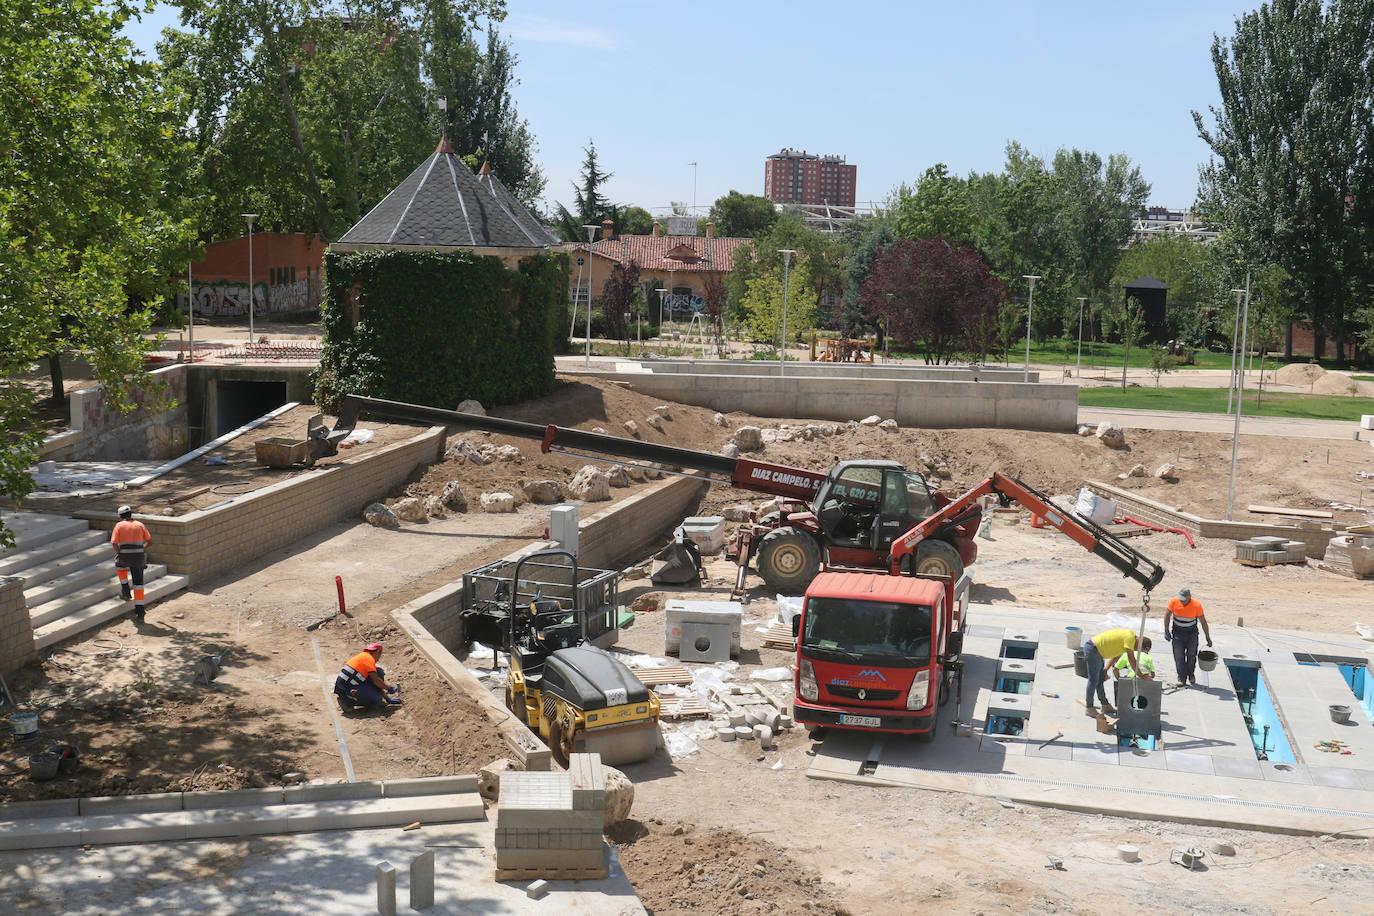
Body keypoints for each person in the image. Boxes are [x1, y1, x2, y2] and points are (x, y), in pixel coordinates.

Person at [1082, 629, 1152, 716]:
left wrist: (1106, 669)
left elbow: (1116, 656)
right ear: (1140, 644)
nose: (1137, 651)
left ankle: (1105, 705)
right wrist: (1141, 675)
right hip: (1093, 648)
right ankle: (1089, 708)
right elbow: (1132, 659)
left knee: (1099, 680)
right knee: (1093, 681)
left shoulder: (1129, 641)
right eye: (1140, 650)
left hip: (1097, 651)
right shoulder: (1130, 638)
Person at [110, 505, 151, 623]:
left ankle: (125, 590)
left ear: (120, 516)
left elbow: (114, 543)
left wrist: (119, 553)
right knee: (138, 585)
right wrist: (141, 549)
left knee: (119, 566)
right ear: (131, 514)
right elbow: (149, 541)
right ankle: (140, 612)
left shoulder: (119, 525)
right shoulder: (140, 524)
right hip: (139, 557)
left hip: (125, 556)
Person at [1164, 587, 1213, 687]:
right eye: (1180, 598)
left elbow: (1203, 621)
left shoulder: (1196, 605)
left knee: (1191, 655)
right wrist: (1166, 630)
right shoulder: (1174, 602)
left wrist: (1207, 636)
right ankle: (1181, 678)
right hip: (1178, 633)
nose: (1181, 600)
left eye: (1183, 599)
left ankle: (1191, 674)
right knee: (1179, 656)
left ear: (1189, 598)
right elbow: (1167, 614)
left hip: (1192, 633)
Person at [334, 642, 402, 709]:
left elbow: (376, 683)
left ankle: (355, 698)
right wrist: (389, 688)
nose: (378, 659)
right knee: (376, 699)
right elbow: (376, 681)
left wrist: (387, 699)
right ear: (377, 652)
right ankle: (347, 702)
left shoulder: (365, 656)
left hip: (351, 685)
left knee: (379, 672)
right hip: (346, 689)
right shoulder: (369, 659)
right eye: (379, 655)